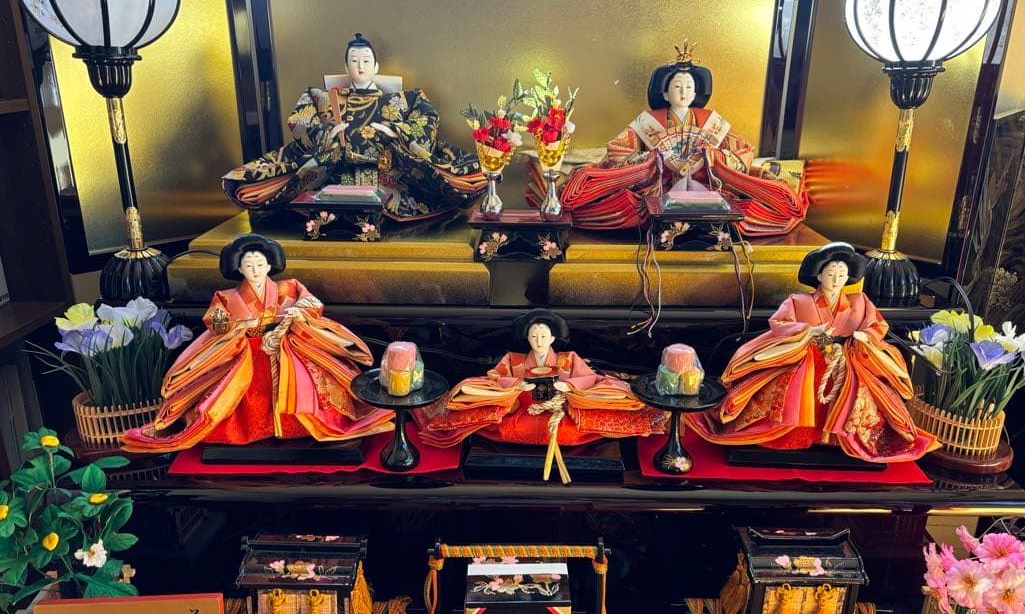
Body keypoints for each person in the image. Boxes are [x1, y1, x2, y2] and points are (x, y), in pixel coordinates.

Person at [122, 234, 393, 452]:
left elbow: (312, 303)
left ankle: (296, 428)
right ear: (239, 268)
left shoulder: (288, 287)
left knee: (304, 388)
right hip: (248, 352)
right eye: (249, 265)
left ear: (270, 265)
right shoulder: (226, 296)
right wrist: (236, 325)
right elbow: (215, 323)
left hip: (285, 348)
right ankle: (246, 430)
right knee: (242, 396)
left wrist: (298, 311)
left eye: (260, 264)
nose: (255, 269)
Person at [687, 242, 935, 461]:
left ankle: (834, 438)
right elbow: (779, 323)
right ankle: (793, 433)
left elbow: (877, 325)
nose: (836, 279)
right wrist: (807, 331)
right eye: (831, 273)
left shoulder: (859, 302)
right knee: (791, 389)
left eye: (842, 274)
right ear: (818, 275)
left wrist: (865, 336)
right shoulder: (799, 301)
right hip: (807, 353)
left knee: (859, 394)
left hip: (845, 357)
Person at [222, 33, 484, 221]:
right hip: (338, 176)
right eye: (354, 61)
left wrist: (396, 132)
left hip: (391, 178)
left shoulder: (404, 99)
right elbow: (299, 121)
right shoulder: (323, 98)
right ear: (346, 66)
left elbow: (426, 120)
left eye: (366, 61)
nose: (360, 66)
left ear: (376, 66)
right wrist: (326, 134)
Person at [554, 44, 809, 236]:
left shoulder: (711, 121)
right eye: (677, 86)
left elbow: (743, 150)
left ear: (697, 92)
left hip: (707, 187)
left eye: (689, 87)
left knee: (753, 204)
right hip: (658, 188)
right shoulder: (648, 121)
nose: (684, 92)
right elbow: (617, 151)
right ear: (665, 93)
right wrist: (653, 160)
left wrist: (711, 159)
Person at [417, 309, 666, 448]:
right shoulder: (513, 359)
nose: (538, 341)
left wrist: (568, 385)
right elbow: (494, 377)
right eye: (534, 336)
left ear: (553, 338)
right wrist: (517, 385)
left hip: (561, 415)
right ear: (527, 338)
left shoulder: (568, 358)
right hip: (521, 413)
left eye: (544, 336)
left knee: (569, 432)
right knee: (503, 425)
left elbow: (589, 378)